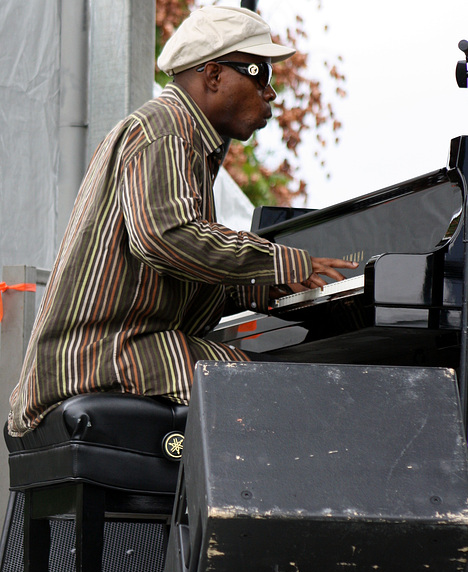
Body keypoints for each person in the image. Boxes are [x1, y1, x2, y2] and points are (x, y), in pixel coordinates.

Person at [8, 5, 358, 437]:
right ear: (213, 75)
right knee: (280, 393)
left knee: (274, 389)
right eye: (260, 74)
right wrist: (284, 263)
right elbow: (166, 237)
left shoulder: (183, 138)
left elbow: (166, 271)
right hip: (100, 356)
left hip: (115, 347)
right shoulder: (166, 130)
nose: (270, 94)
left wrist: (263, 286)